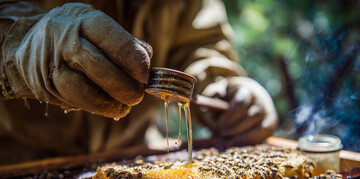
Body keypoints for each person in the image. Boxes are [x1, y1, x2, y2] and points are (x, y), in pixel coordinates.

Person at [0, 0, 277, 163]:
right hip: (20, 158)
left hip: (135, 156)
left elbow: (201, 42)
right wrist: (23, 44)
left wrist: (220, 86)